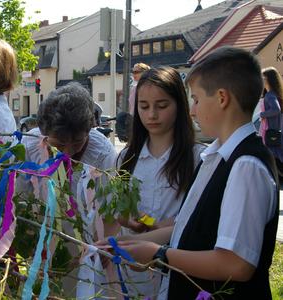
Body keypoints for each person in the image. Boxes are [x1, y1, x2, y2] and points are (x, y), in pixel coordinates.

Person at [98, 46, 279, 299]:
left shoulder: (245, 165)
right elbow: (185, 226)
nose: (192, 110)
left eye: (195, 99)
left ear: (222, 98)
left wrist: (157, 254)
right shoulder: (216, 157)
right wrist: (128, 244)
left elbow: (237, 264)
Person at [112, 66, 205, 298]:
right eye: (144, 107)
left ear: (179, 106)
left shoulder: (197, 158)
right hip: (133, 273)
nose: (152, 115)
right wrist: (126, 217)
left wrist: (171, 224)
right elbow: (118, 209)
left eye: (162, 106)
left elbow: (202, 216)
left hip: (176, 268)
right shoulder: (126, 158)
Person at [18, 83, 118, 298]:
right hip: (43, 241)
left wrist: (102, 250)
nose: (69, 152)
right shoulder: (30, 145)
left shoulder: (102, 153)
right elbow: (20, 197)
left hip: (88, 246)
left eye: (78, 142)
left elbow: (109, 211)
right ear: (45, 134)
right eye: (60, 145)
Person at [260, 67, 283, 177]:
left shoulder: (270, 95)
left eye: (263, 78)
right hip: (274, 133)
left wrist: (262, 114)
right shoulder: (272, 94)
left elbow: (276, 109)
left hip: (271, 134)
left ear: (269, 80)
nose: (261, 80)